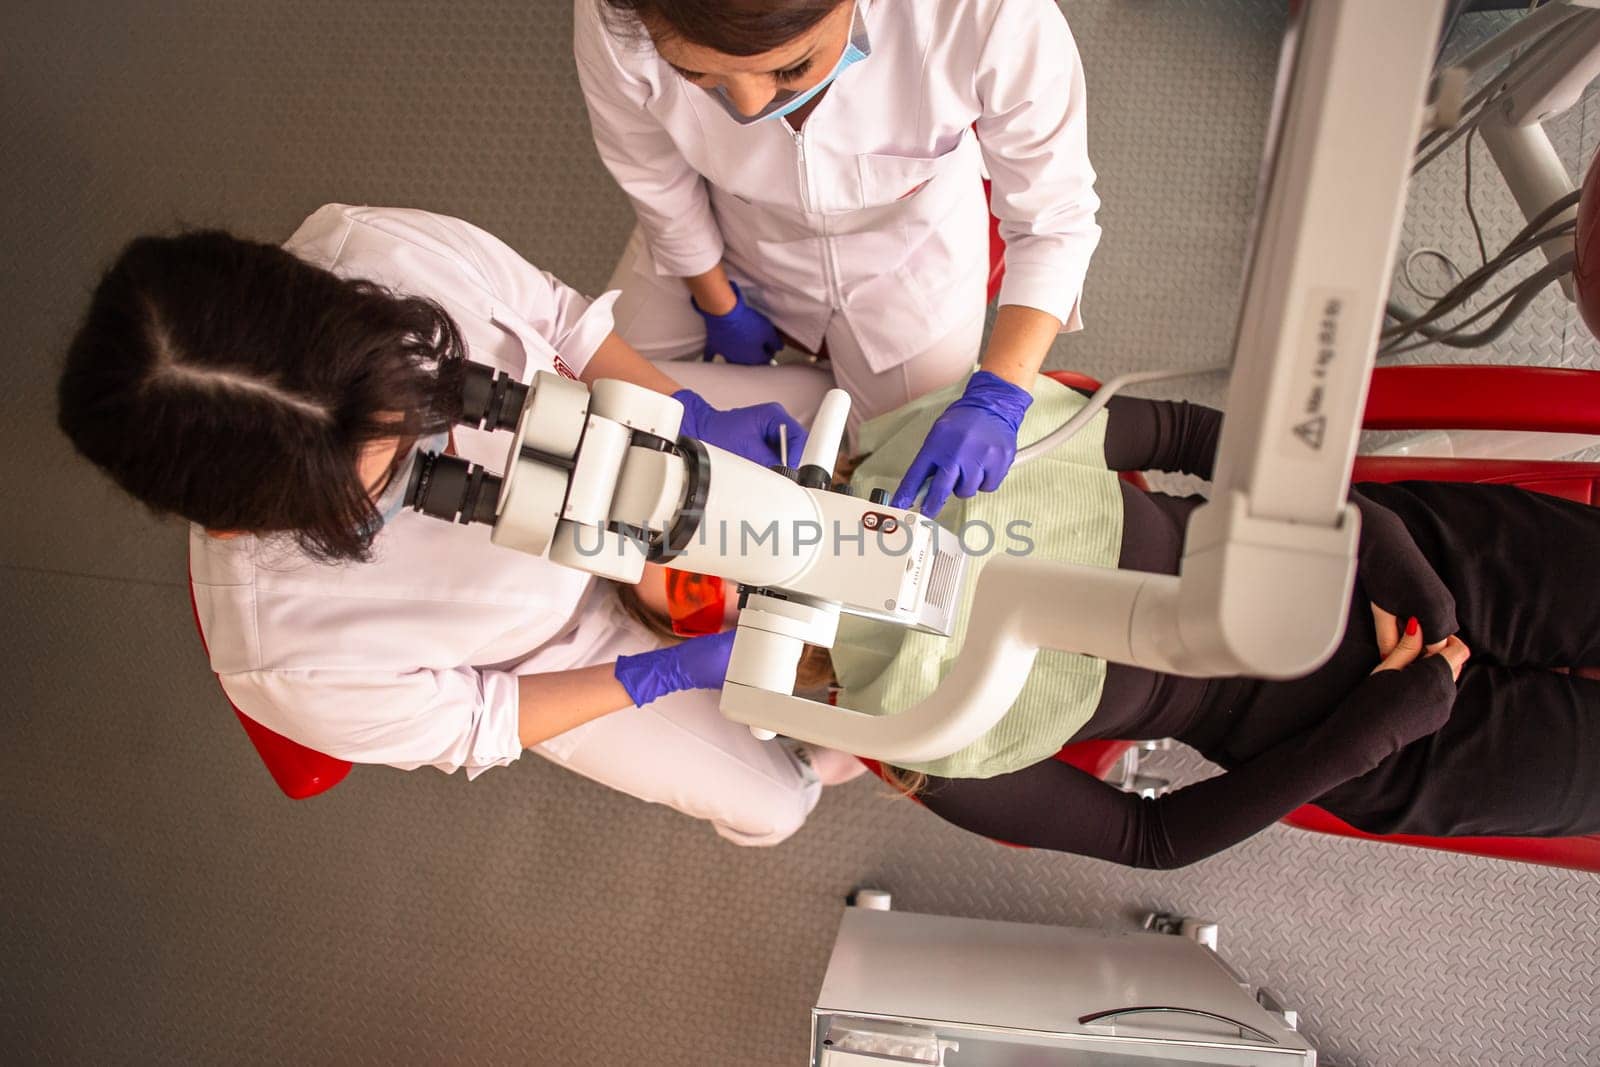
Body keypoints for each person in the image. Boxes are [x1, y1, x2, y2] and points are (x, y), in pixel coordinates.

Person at [56, 204, 847, 846]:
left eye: (420, 415)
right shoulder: (282, 661)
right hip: (550, 647)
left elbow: (561, 319)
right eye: (387, 488)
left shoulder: (373, 244)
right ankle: (809, 760)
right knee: (775, 804)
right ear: (239, 527)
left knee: (836, 415)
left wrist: (684, 418)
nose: (432, 454)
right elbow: (482, 718)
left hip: (621, 428)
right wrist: (652, 677)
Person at [771, 375, 1600, 867]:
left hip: (1374, 559)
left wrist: (1358, 524)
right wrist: (1366, 736)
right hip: (1389, 746)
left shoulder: (941, 442)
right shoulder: (916, 729)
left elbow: (1187, 434)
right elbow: (1150, 838)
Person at [574, 0, 1102, 518]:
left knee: (900, 468)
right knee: (584, 397)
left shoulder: (992, 12)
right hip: (725, 227)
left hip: (908, 265)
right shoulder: (619, 11)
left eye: (791, 66)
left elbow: (1052, 219)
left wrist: (1001, 393)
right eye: (697, 73)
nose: (751, 106)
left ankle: (831, 402)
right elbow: (651, 172)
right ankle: (819, 398)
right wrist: (716, 298)